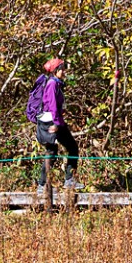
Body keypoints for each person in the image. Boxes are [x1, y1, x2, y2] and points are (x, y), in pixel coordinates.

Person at [27, 56, 80, 190]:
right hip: (51, 123)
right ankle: (60, 182)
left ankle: (45, 184)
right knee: (69, 148)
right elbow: (52, 105)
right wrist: (56, 124)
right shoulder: (52, 84)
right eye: (61, 69)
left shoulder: (56, 83)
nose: (64, 71)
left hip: (53, 121)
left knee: (54, 151)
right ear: (55, 71)